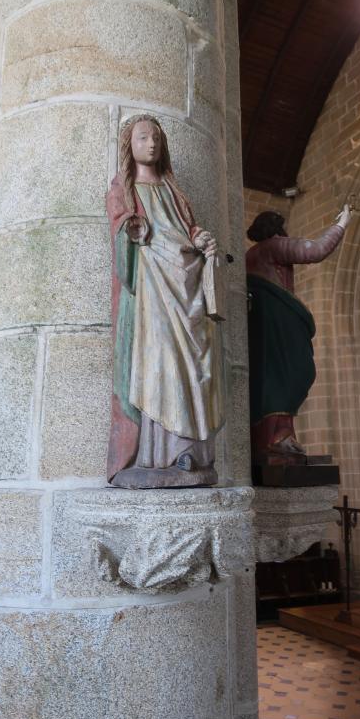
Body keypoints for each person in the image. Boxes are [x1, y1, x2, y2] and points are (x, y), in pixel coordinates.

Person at [106, 114, 224, 488]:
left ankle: (191, 451)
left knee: (194, 365)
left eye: (156, 138)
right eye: (143, 138)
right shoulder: (123, 189)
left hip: (186, 286)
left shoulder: (175, 192)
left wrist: (202, 239)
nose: (151, 144)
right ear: (130, 146)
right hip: (153, 291)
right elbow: (122, 225)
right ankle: (159, 453)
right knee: (161, 362)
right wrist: (132, 228)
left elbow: (185, 229)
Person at [246, 204, 351, 458]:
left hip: (262, 325)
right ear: (276, 229)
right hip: (279, 321)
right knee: (296, 372)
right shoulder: (274, 246)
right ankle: (278, 437)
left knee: (270, 378)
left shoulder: (249, 255)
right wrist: (342, 223)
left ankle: (276, 436)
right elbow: (316, 250)